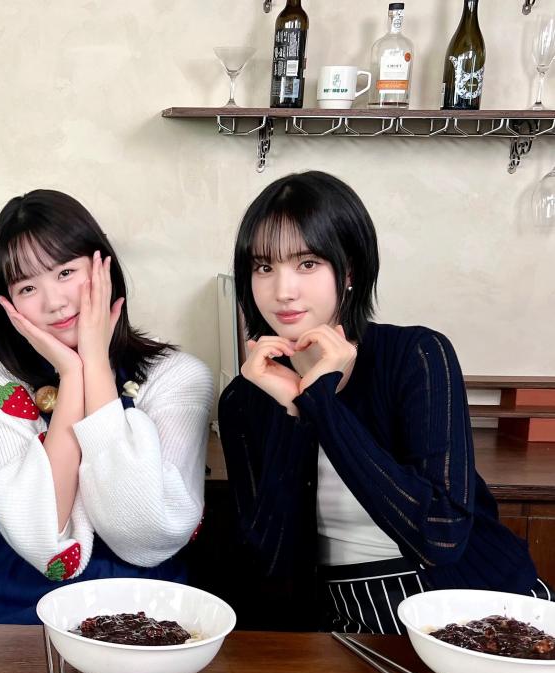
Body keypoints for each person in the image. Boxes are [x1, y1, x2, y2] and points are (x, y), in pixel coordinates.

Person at [218, 170, 550, 635]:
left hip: (474, 600)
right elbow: (267, 559)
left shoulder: (417, 355)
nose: (282, 291)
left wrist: (322, 406)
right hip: (350, 615)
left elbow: (441, 535)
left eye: (308, 263)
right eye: (263, 267)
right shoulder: (244, 399)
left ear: (350, 270)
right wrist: (295, 414)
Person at [0, 189, 213, 623]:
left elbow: (143, 535)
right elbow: (43, 535)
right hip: (11, 599)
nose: (54, 302)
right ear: (7, 304)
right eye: (27, 287)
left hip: (142, 603)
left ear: (103, 266)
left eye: (65, 272)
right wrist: (72, 376)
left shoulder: (177, 376)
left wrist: (95, 364)